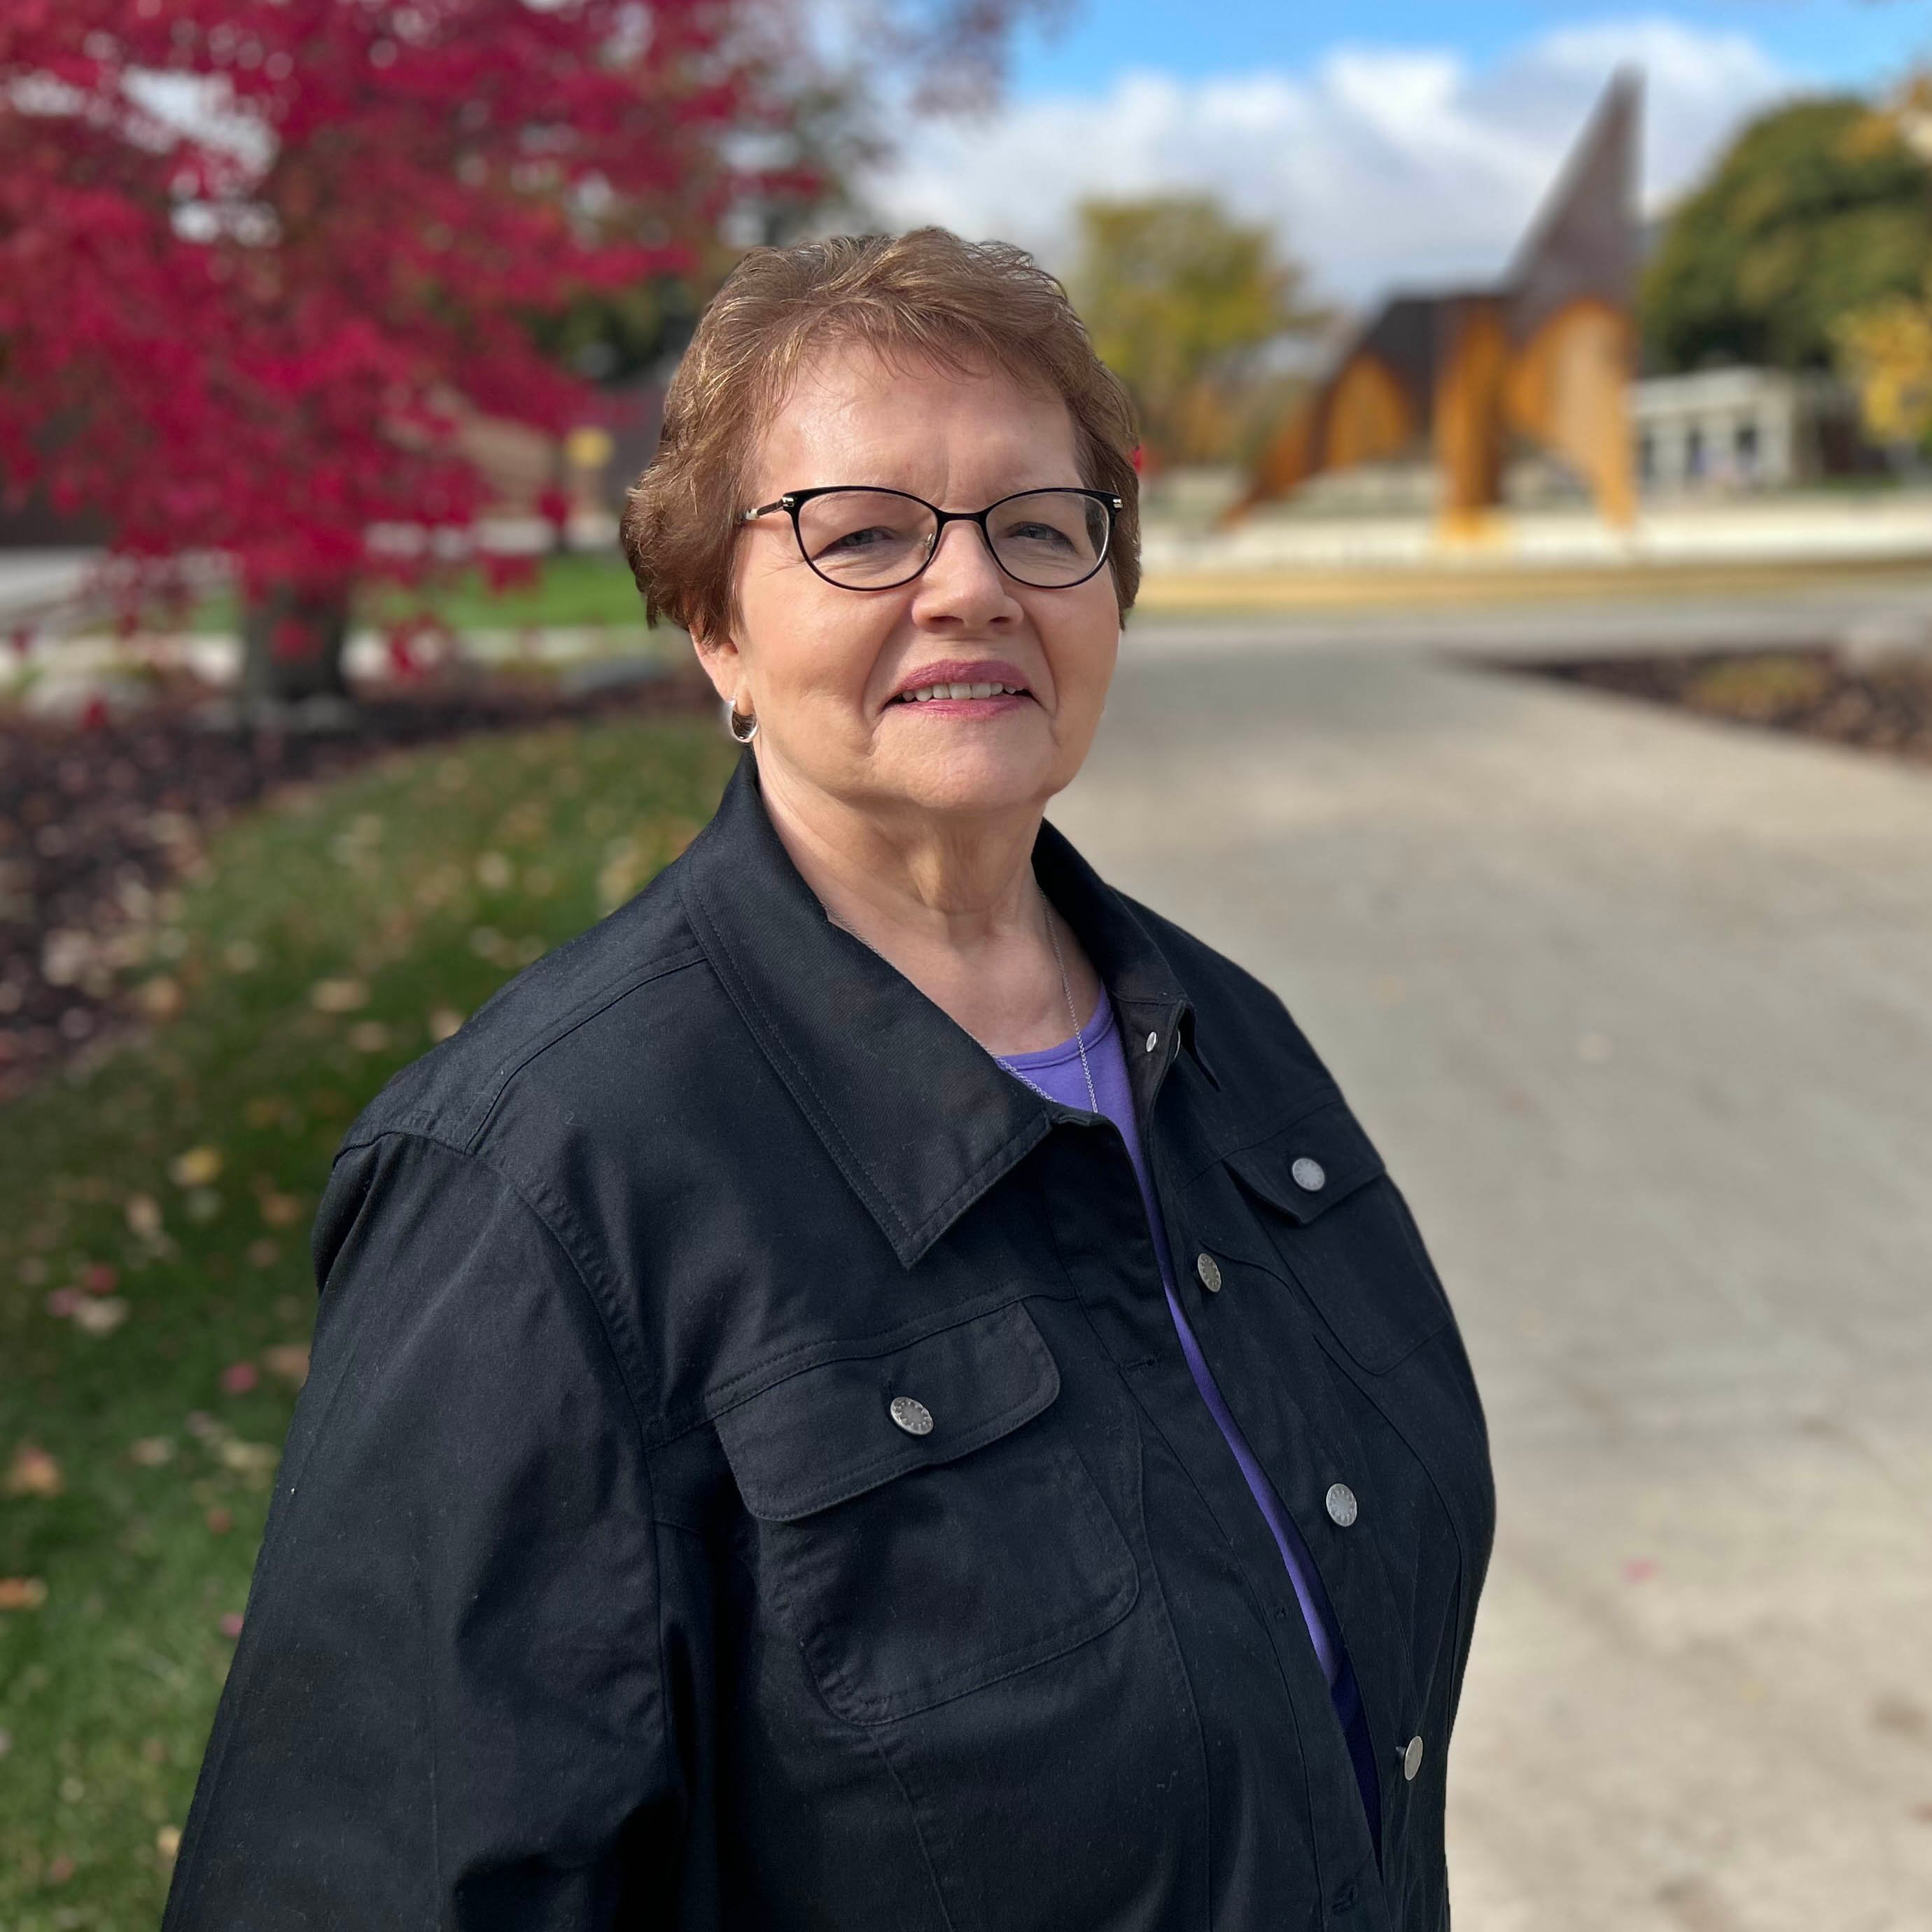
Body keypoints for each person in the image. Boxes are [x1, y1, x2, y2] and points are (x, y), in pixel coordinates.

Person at [164, 227, 1494, 1931]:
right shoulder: (543, 1191)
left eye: (1039, 524)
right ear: (715, 625)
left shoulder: (1227, 1042)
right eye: (860, 532)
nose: (971, 588)